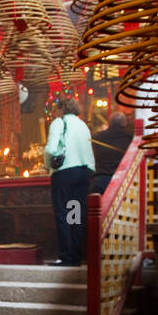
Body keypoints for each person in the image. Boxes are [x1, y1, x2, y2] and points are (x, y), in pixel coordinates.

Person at [44, 97, 95, 266]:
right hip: (83, 173)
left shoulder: (59, 122)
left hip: (64, 173)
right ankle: (76, 256)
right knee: (75, 215)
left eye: (55, 110)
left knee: (63, 214)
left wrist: (47, 166)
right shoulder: (83, 125)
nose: (54, 113)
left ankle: (65, 256)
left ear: (61, 109)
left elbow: (51, 149)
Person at [90, 110, 133, 193]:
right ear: (124, 124)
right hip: (122, 180)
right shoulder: (129, 139)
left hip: (100, 180)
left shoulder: (97, 138)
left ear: (109, 123)